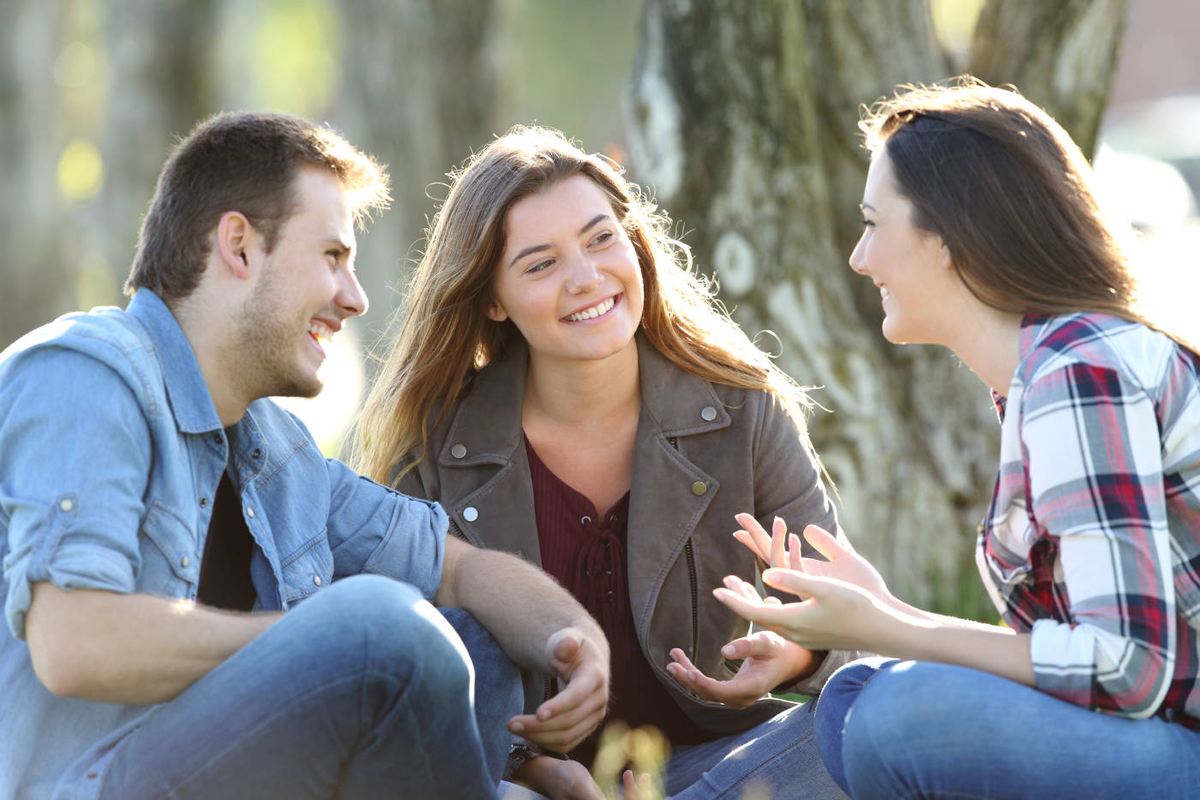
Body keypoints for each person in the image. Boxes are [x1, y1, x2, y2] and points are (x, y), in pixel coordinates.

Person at [0, 111, 611, 800]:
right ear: (239, 246)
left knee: (470, 637)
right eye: (332, 257)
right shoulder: (86, 375)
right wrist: (325, 645)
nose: (355, 298)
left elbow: (461, 569)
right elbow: (75, 642)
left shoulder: (276, 452)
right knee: (380, 628)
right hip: (100, 784)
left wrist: (575, 638)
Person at [717, 77, 1200, 799]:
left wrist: (893, 629)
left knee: (896, 715)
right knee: (853, 697)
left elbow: (1129, 669)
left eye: (874, 223)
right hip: (1162, 741)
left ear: (946, 237)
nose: (859, 257)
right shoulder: (1046, 372)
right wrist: (888, 612)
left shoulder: (1080, 370)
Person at [354, 125, 856, 799]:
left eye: (600, 239)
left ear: (634, 244)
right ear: (492, 301)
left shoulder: (743, 411)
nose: (587, 279)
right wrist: (523, 763)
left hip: (722, 765)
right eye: (540, 264)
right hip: (528, 786)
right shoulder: (434, 449)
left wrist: (794, 653)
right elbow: (397, 680)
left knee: (868, 721)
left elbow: (853, 622)